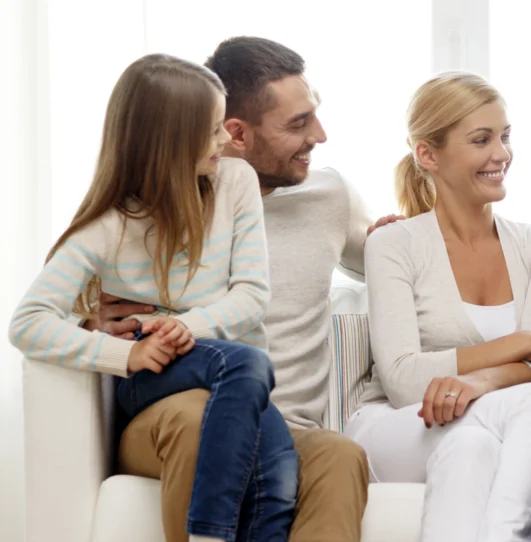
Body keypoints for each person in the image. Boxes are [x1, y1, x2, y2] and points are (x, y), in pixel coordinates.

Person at [93, 37, 376, 542]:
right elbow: (70, 283)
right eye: (297, 124)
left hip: (283, 428)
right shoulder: (157, 204)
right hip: (174, 415)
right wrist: (92, 315)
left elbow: (395, 265)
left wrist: (405, 241)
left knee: (339, 455)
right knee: (197, 416)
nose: (320, 135)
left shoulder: (330, 197)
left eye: (314, 115)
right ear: (234, 134)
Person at [8, 54, 296, 542]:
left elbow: (252, 295)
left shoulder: (235, 182)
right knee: (247, 364)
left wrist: (186, 325)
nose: (226, 140)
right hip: (157, 375)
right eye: (211, 132)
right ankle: (209, 533)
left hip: (225, 371)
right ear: (168, 145)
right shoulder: (108, 227)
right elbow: (28, 322)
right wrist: (128, 351)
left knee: (277, 481)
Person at [343, 71, 531, 542]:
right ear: (428, 154)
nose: (502, 154)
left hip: (486, 425)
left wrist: (478, 381)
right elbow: (405, 380)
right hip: (399, 425)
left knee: (473, 443)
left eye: (505, 136)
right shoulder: (394, 244)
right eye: (481, 139)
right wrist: (525, 343)